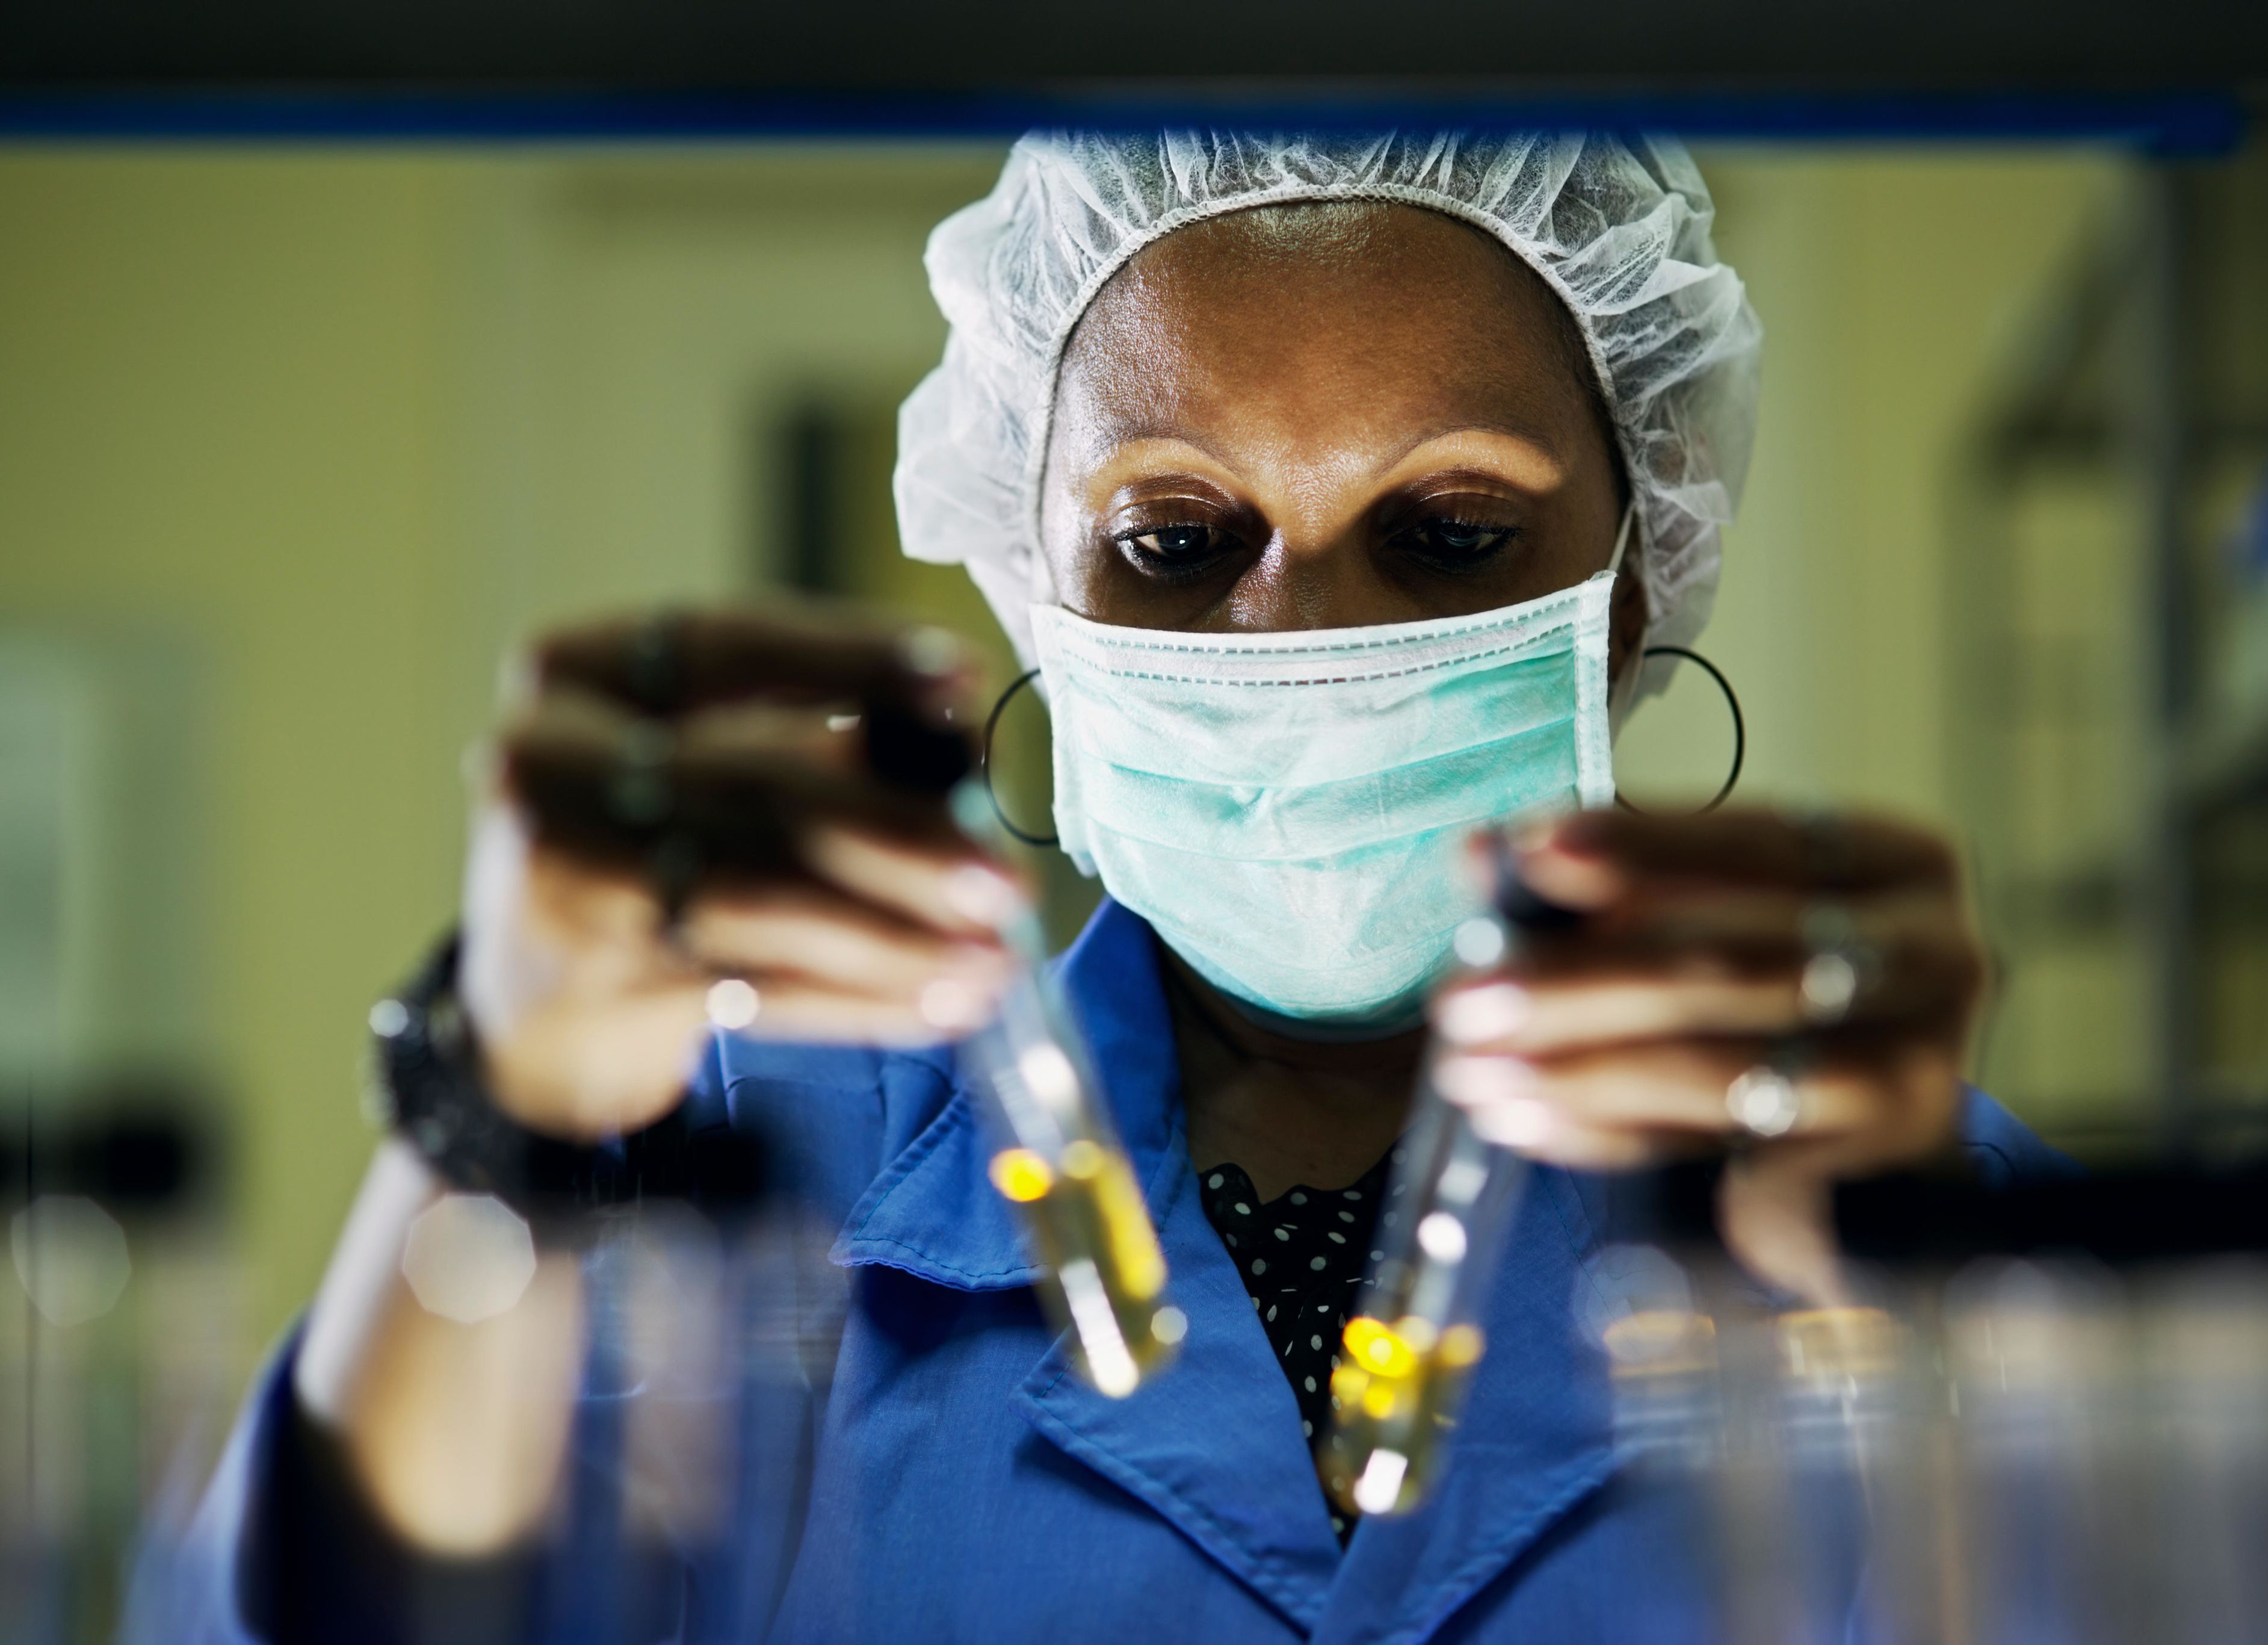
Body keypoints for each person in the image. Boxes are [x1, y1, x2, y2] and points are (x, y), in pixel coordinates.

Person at [168, 131, 2063, 1644]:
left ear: (1632, 583)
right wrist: (494, 1099)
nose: (1302, 633)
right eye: (1172, 536)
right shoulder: (762, 1150)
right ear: (1035, 599)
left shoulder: (1896, 1195)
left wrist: (1924, 1304)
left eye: (1450, 531)